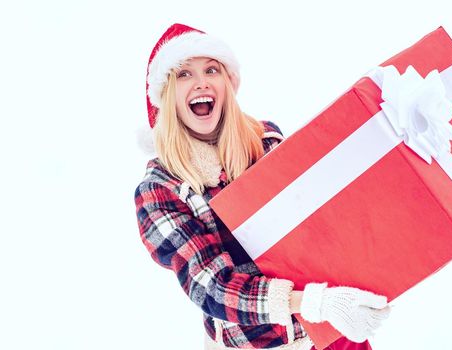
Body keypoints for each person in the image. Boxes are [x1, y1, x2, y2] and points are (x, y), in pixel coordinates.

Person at [134, 24, 390, 350]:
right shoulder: (160, 191)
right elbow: (214, 288)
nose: (201, 81)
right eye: (183, 74)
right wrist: (316, 303)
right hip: (263, 342)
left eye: (211, 69)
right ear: (167, 95)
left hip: (329, 332)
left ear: (228, 83)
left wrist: (367, 280)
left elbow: (314, 229)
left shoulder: (265, 140)